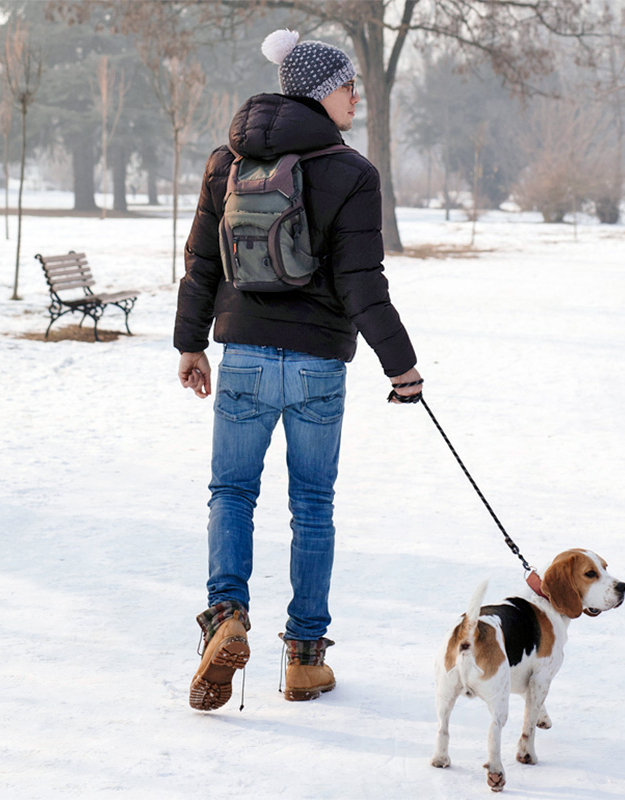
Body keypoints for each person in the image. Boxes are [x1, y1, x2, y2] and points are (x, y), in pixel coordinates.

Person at [175, 29, 423, 711]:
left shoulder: (226, 160)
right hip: (318, 366)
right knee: (311, 507)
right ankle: (305, 659)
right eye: (348, 87)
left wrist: (190, 345)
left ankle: (225, 615)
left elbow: (201, 263)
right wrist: (403, 371)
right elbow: (362, 285)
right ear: (320, 91)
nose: (356, 98)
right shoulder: (352, 172)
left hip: (245, 357)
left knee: (231, 492)